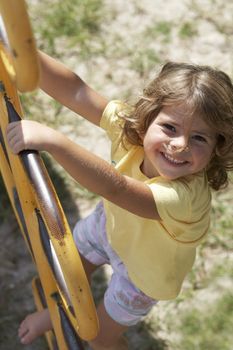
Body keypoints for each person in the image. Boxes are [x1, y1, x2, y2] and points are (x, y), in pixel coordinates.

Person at [7, 52, 233, 350]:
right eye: (170, 127)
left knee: (99, 337)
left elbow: (116, 189)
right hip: (110, 228)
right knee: (67, 268)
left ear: (218, 148)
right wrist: (20, 54)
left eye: (200, 138)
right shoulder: (133, 131)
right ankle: (58, 311)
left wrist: (55, 142)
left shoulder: (185, 196)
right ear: (147, 119)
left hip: (143, 273)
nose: (180, 144)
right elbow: (76, 91)